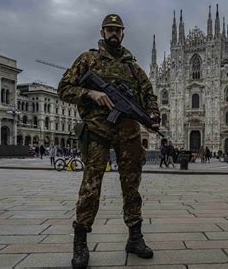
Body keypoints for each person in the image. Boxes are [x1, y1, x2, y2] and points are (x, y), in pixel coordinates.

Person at [57, 14, 160, 268]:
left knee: (131, 186)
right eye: (109, 29)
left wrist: (153, 117)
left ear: (123, 33)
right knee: (91, 187)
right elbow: (64, 89)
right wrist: (91, 93)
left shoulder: (133, 67)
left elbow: (149, 95)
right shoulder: (88, 59)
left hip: (129, 134)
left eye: (118, 30)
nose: (114, 33)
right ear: (103, 32)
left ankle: (135, 237)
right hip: (98, 132)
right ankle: (80, 242)